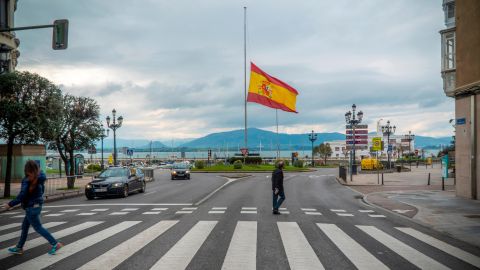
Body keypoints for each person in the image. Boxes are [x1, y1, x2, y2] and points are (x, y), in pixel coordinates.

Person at [3, 160, 63, 255]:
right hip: (37, 206)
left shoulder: (27, 180)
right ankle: (19, 247)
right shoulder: (40, 178)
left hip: (31, 208)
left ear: (27, 170)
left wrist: (10, 204)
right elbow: (41, 190)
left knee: (38, 227)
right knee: (25, 227)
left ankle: (55, 243)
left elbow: (22, 195)